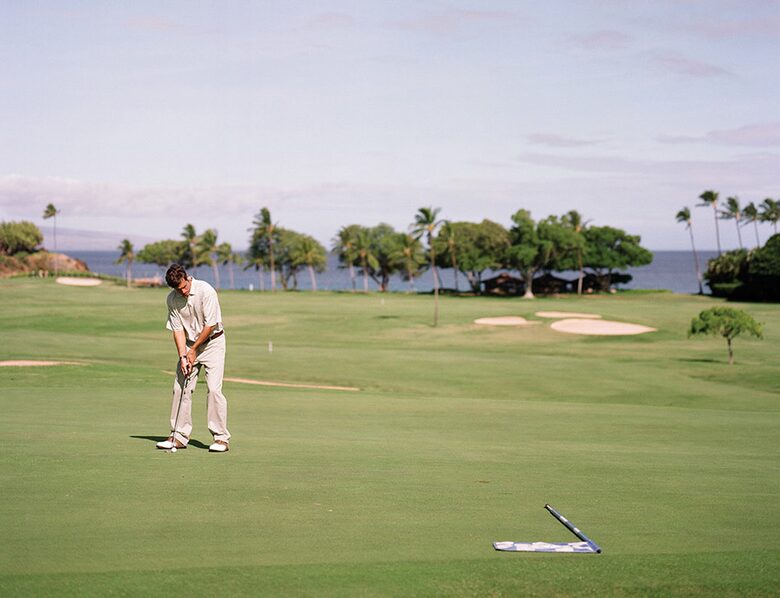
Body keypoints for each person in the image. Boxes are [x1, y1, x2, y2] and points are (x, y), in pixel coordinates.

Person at [156, 263, 231, 453]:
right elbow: (178, 329)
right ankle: (178, 436)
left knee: (214, 390)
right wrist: (183, 356)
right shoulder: (172, 299)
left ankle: (221, 438)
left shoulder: (206, 291)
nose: (182, 292)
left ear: (187, 278)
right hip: (189, 345)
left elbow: (211, 325)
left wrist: (194, 349)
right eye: (177, 289)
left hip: (213, 343)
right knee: (180, 387)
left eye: (183, 287)